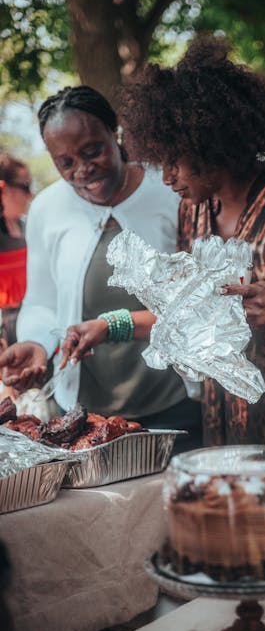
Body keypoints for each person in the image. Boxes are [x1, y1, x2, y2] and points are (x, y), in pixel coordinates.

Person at [60, 37, 265, 571]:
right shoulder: (195, 212)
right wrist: (111, 324)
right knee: (257, 552)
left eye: (174, 164)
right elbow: (183, 310)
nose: (166, 178)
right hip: (236, 419)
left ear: (211, 142)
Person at [0, 86, 202, 450]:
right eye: (66, 162)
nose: (82, 169)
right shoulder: (48, 209)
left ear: (116, 133)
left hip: (176, 403)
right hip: (85, 418)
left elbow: (196, 296)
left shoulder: (170, 190)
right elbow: (42, 301)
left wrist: (115, 324)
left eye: (92, 151)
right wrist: (38, 343)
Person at [0, 153, 32, 346]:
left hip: (34, 326)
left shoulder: (29, 226)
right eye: (24, 187)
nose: (30, 195)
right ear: (3, 189)